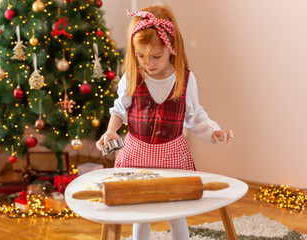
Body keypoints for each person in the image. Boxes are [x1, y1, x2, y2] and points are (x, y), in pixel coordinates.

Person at [96, 5, 233, 240]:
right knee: (140, 213)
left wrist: (212, 131)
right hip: (136, 153)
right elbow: (120, 110)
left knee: (177, 211)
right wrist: (110, 130)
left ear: (172, 48)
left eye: (156, 56)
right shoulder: (131, 77)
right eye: (140, 56)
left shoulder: (185, 79)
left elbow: (194, 116)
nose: (148, 63)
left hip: (173, 156)